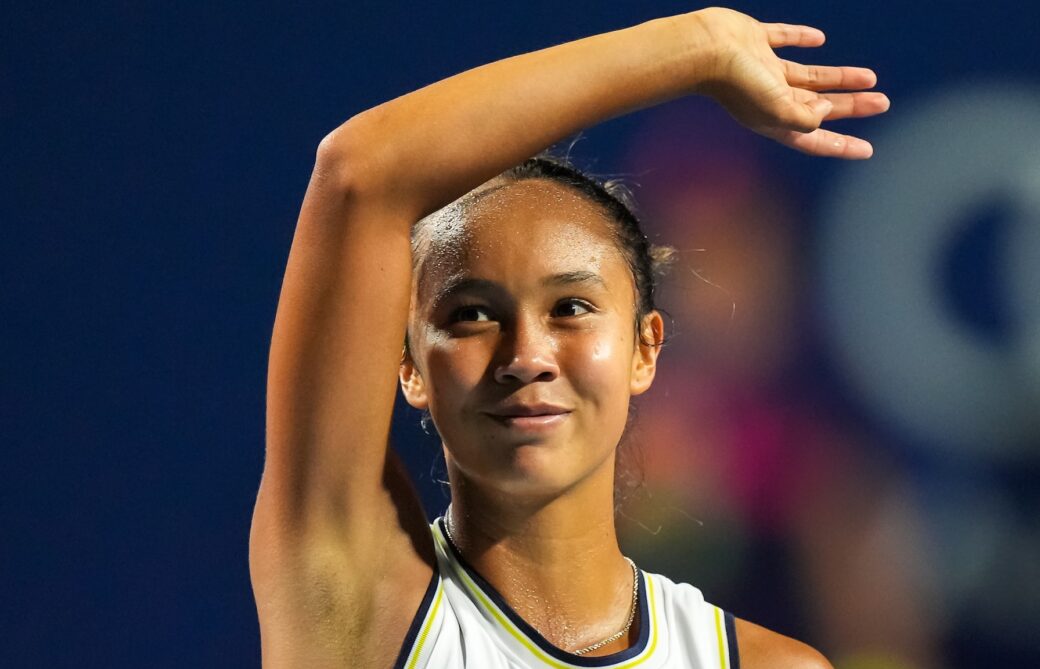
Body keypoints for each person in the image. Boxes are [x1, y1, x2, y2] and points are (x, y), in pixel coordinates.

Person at [250, 7, 889, 668]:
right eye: (472, 314)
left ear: (646, 348)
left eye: (571, 307)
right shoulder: (352, 602)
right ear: (408, 365)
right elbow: (360, 173)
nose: (526, 355)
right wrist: (698, 48)